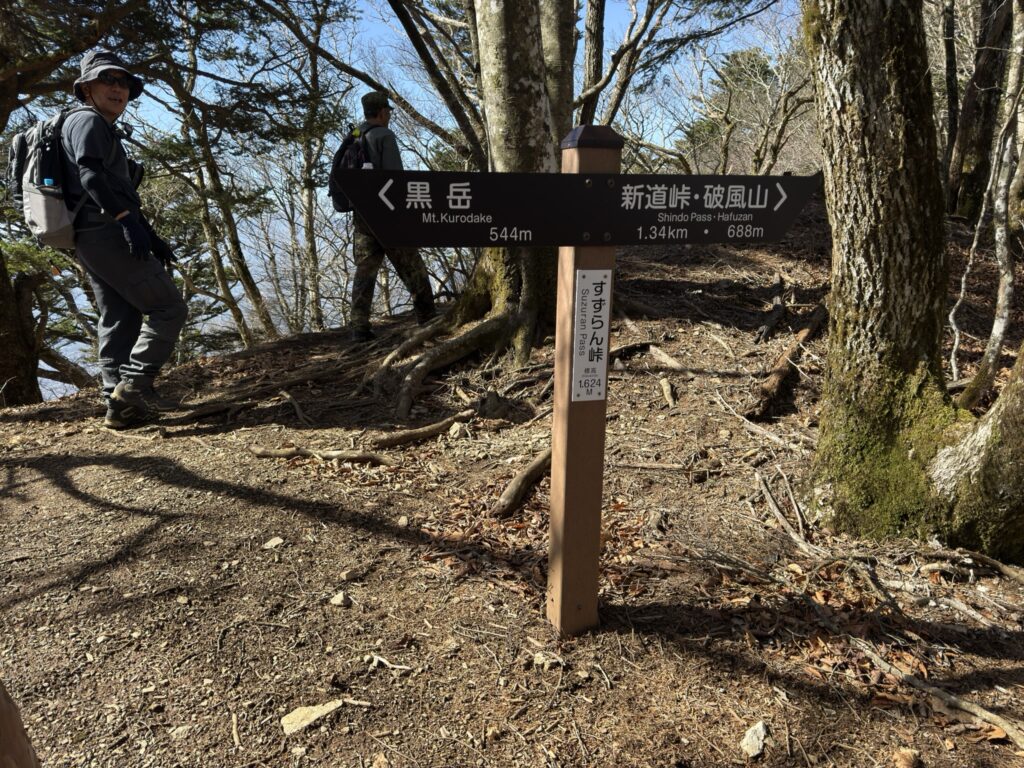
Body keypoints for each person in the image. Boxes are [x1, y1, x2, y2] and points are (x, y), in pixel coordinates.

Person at [62, 49, 187, 428]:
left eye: (123, 82)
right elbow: (92, 176)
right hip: (106, 232)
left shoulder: (86, 122)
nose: (118, 89)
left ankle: (117, 403)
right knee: (169, 309)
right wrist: (125, 221)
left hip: (91, 235)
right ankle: (132, 389)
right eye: (108, 80)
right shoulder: (88, 121)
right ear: (86, 87)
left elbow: (113, 185)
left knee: (119, 314)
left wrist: (148, 232)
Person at [350, 91, 435, 342]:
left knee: (365, 271)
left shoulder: (354, 136)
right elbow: (395, 180)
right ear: (383, 112)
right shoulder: (384, 136)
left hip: (362, 214)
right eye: (388, 112)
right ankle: (429, 318)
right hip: (387, 214)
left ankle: (359, 328)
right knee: (412, 266)